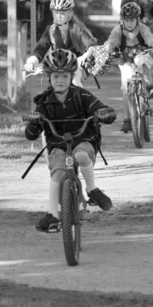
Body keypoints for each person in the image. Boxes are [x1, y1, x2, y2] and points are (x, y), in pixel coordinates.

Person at [25, 48, 116, 232]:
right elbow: (30, 134)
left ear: (71, 77)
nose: (60, 81)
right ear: (49, 77)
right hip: (58, 144)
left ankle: (92, 190)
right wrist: (34, 123)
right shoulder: (44, 102)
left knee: (81, 155)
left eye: (65, 76)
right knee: (58, 174)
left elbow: (101, 108)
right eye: (56, 77)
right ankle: (53, 216)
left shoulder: (81, 95)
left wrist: (104, 113)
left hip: (83, 138)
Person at [104, 2, 153, 133]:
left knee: (144, 62)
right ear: (122, 20)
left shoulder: (142, 28)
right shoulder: (118, 29)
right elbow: (112, 40)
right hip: (125, 59)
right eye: (126, 20)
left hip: (140, 55)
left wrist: (152, 43)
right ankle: (128, 119)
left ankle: (150, 87)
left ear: (137, 19)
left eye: (132, 20)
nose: (129, 23)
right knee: (125, 89)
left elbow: (149, 37)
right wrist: (108, 46)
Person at [24, 0, 97, 87]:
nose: (58, 16)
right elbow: (41, 48)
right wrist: (32, 61)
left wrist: (85, 56)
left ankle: (79, 99)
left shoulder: (78, 28)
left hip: (78, 68)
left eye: (62, 13)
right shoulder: (51, 30)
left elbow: (92, 46)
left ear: (70, 13)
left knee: (74, 81)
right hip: (59, 68)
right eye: (56, 13)